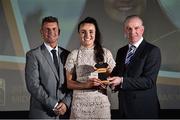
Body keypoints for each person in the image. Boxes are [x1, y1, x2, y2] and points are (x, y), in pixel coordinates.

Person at [109, 15, 161, 118]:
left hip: (144, 109)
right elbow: (117, 73)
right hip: (124, 108)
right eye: (129, 28)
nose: (132, 32)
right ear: (125, 31)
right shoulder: (121, 51)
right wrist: (108, 81)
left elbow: (149, 81)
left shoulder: (152, 51)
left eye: (136, 28)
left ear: (142, 30)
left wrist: (121, 81)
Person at [65, 17, 115, 119]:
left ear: (96, 33)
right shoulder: (74, 54)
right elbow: (69, 83)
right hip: (79, 106)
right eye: (83, 32)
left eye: (91, 31)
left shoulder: (106, 53)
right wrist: (87, 85)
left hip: (101, 106)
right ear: (79, 33)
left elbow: (112, 78)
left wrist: (106, 82)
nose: (87, 35)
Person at [25, 16, 72, 119]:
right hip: (42, 114)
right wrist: (55, 105)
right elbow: (33, 86)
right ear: (41, 32)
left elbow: (72, 83)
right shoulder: (33, 55)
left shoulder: (68, 55)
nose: (51, 32)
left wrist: (65, 103)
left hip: (66, 114)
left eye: (54, 29)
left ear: (59, 32)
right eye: (47, 29)